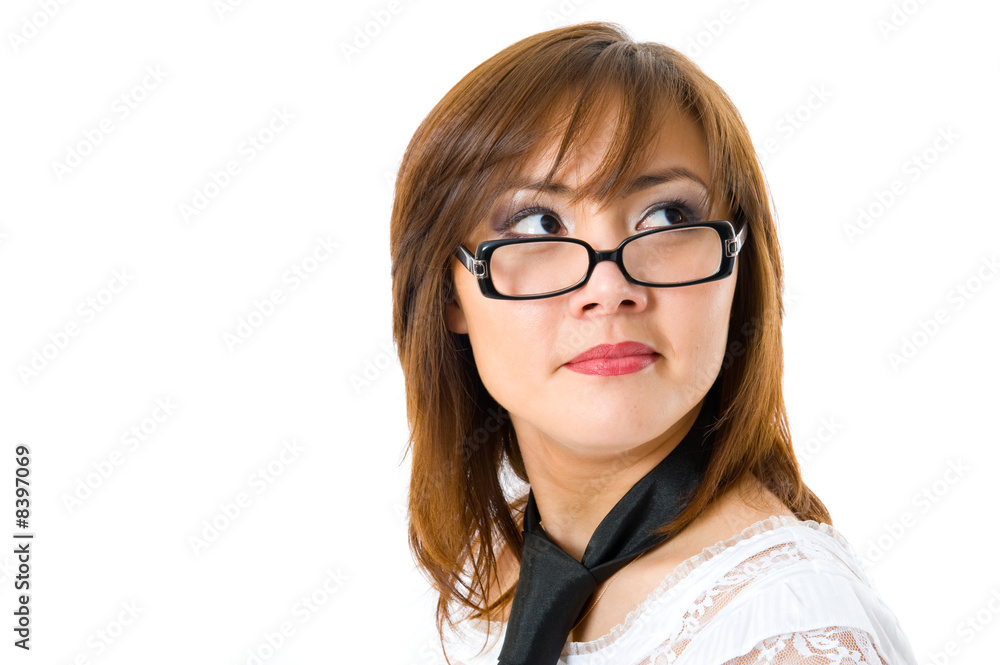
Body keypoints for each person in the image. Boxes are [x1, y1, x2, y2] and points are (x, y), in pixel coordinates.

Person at [390, 21, 918, 665]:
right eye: (536, 223)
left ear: (736, 269)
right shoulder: (489, 575)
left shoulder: (780, 630)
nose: (609, 288)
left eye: (668, 217)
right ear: (450, 291)